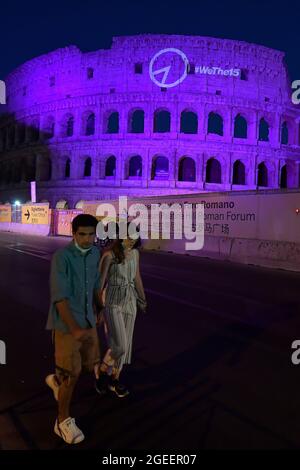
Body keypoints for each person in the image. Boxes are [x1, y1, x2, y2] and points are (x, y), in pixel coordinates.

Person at [45, 214, 102, 444]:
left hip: (89, 321)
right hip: (67, 325)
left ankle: (57, 383)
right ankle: (62, 421)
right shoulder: (62, 257)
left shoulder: (96, 254)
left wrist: (100, 311)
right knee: (72, 374)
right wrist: (74, 328)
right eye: (82, 234)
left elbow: (96, 286)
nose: (87, 239)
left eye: (91, 234)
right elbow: (60, 297)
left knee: (90, 366)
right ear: (73, 232)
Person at [95, 222, 147, 398]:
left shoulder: (135, 254)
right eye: (129, 236)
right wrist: (98, 309)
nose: (132, 240)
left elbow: (137, 277)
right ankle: (102, 371)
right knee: (120, 345)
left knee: (126, 344)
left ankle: (114, 379)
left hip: (129, 300)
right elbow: (100, 283)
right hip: (112, 301)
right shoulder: (109, 255)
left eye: (135, 237)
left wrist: (142, 298)